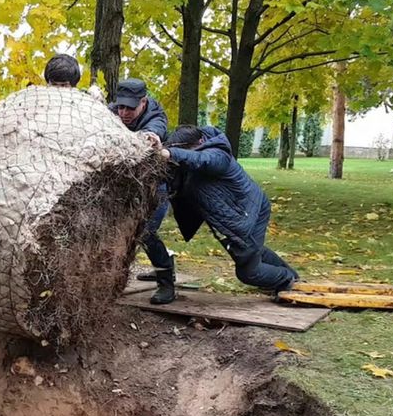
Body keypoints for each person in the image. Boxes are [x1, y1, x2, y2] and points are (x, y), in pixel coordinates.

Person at [160, 125, 299, 292]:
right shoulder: (186, 162)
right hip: (234, 217)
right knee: (253, 252)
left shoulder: (218, 154)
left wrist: (172, 154)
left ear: (200, 142)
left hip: (250, 211)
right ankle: (292, 276)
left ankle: (286, 279)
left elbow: (202, 160)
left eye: (186, 151)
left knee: (248, 272)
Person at [109, 78, 173, 304]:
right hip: (125, 185)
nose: (124, 113)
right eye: (121, 106)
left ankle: (166, 282)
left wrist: (150, 138)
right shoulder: (112, 111)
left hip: (155, 187)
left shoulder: (156, 117)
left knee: (144, 232)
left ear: (143, 102)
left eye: (130, 108)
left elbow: (155, 133)